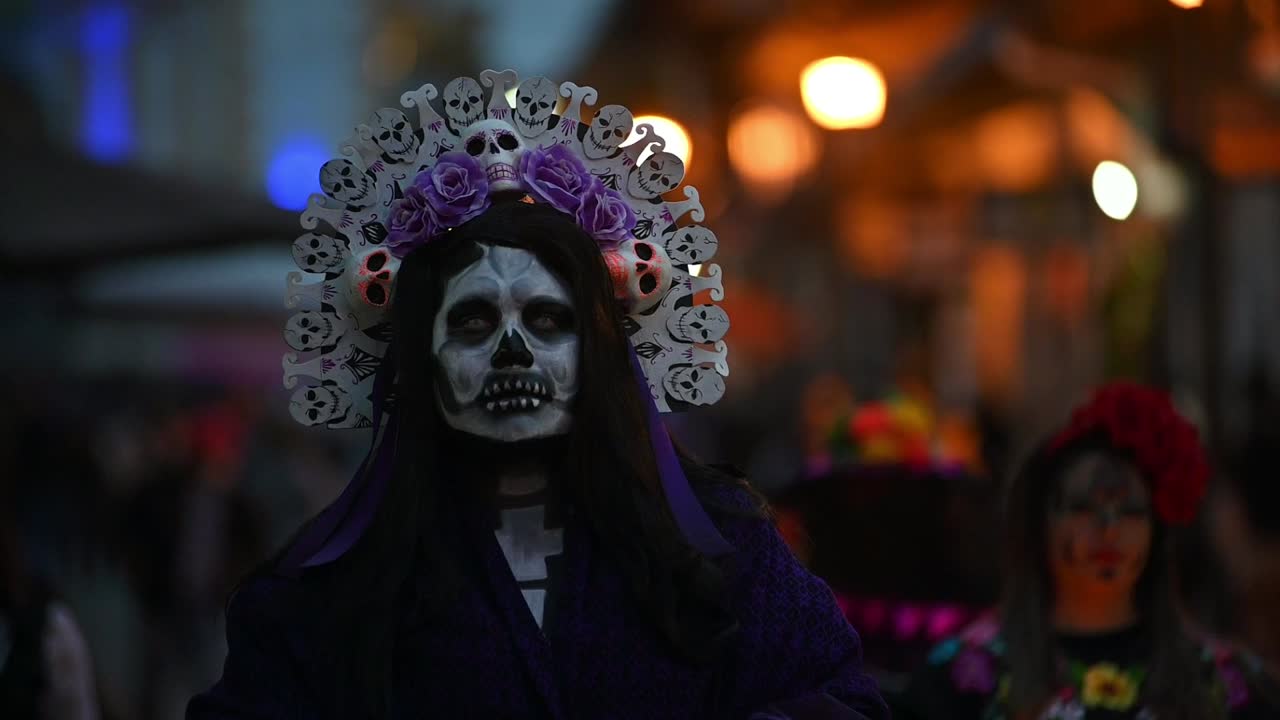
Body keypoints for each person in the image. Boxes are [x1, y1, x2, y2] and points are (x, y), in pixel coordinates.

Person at [188, 70, 887, 719]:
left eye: (549, 320)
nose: (512, 350)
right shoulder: (327, 594)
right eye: (472, 322)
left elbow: (841, 700)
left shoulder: (722, 549)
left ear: (603, 353)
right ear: (416, 360)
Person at [896, 382, 1275, 719]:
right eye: (1082, 508)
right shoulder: (961, 678)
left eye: (1130, 512)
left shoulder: (1225, 682)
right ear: (1039, 522)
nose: (1108, 530)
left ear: (1157, 532)